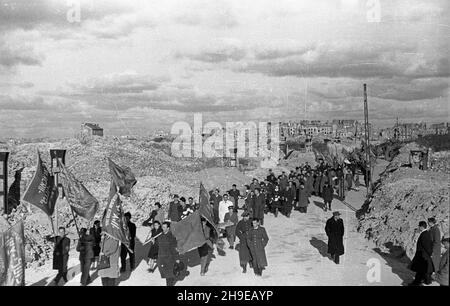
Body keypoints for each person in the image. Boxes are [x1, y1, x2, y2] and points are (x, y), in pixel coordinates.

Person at [409, 221, 434, 286]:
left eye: (419, 226)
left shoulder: (424, 234)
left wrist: (428, 254)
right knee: (421, 271)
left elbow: (427, 246)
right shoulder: (425, 233)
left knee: (420, 271)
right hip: (423, 255)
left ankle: (416, 283)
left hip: (423, 256)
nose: (418, 227)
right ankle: (422, 281)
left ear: (421, 227)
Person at [157, 222, 180, 286]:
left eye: (164, 227)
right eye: (162, 227)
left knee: (168, 275)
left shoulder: (171, 237)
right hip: (161, 257)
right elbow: (158, 245)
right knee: (166, 273)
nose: (162, 228)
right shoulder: (160, 236)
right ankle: (171, 279)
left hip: (169, 258)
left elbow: (174, 248)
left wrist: (177, 258)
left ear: (168, 228)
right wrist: (154, 242)